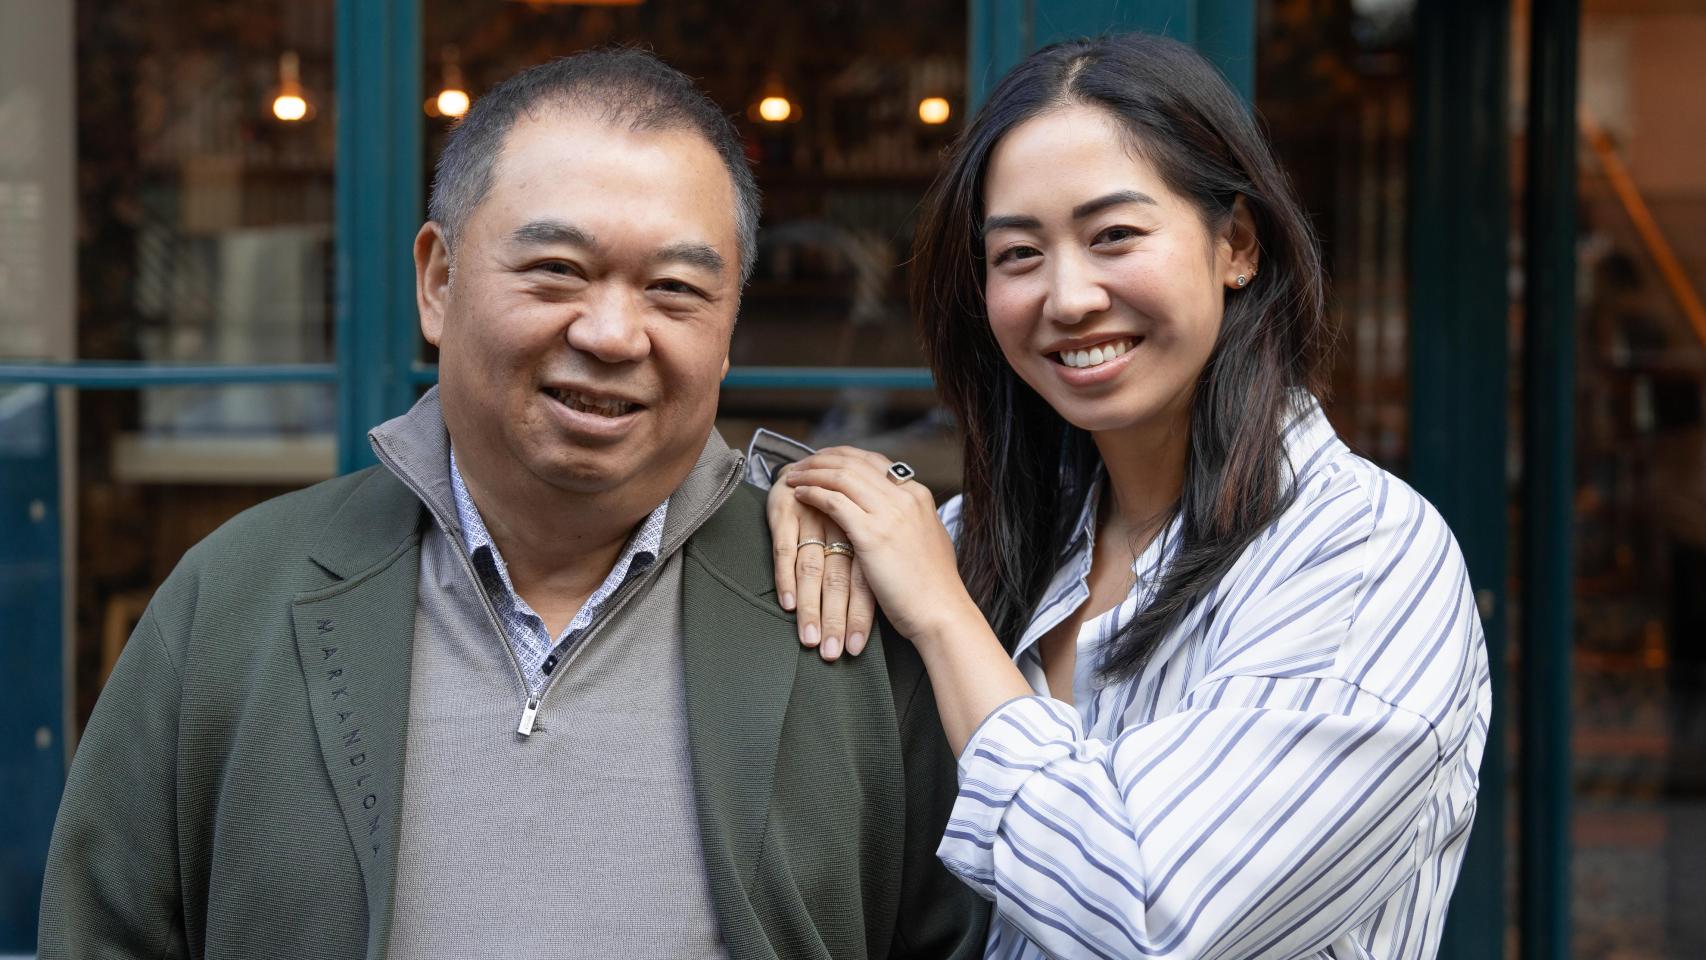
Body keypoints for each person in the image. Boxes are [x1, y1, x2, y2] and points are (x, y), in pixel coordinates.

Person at [39, 49, 986, 960]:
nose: (613, 334)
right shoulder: (238, 596)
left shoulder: (839, 613)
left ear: (729, 327)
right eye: (558, 271)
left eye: (674, 289)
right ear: (438, 281)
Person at [762, 33, 1491, 959]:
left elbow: (1147, 917)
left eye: (1114, 236)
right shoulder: (990, 539)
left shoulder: (1362, 555)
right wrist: (820, 507)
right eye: (1018, 254)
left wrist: (946, 618)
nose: (1067, 297)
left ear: (1236, 244)